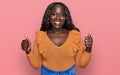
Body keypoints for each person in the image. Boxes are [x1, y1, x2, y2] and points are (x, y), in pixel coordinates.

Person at [21, 2, 93, 75]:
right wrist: (28, 50)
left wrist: (88, 48)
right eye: (54, 14)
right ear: (49, 16)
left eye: (61, 15)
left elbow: (82, 64)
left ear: (66, 17)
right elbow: (36, 65)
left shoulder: (75, 36)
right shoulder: (41, 37)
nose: (58, 18)